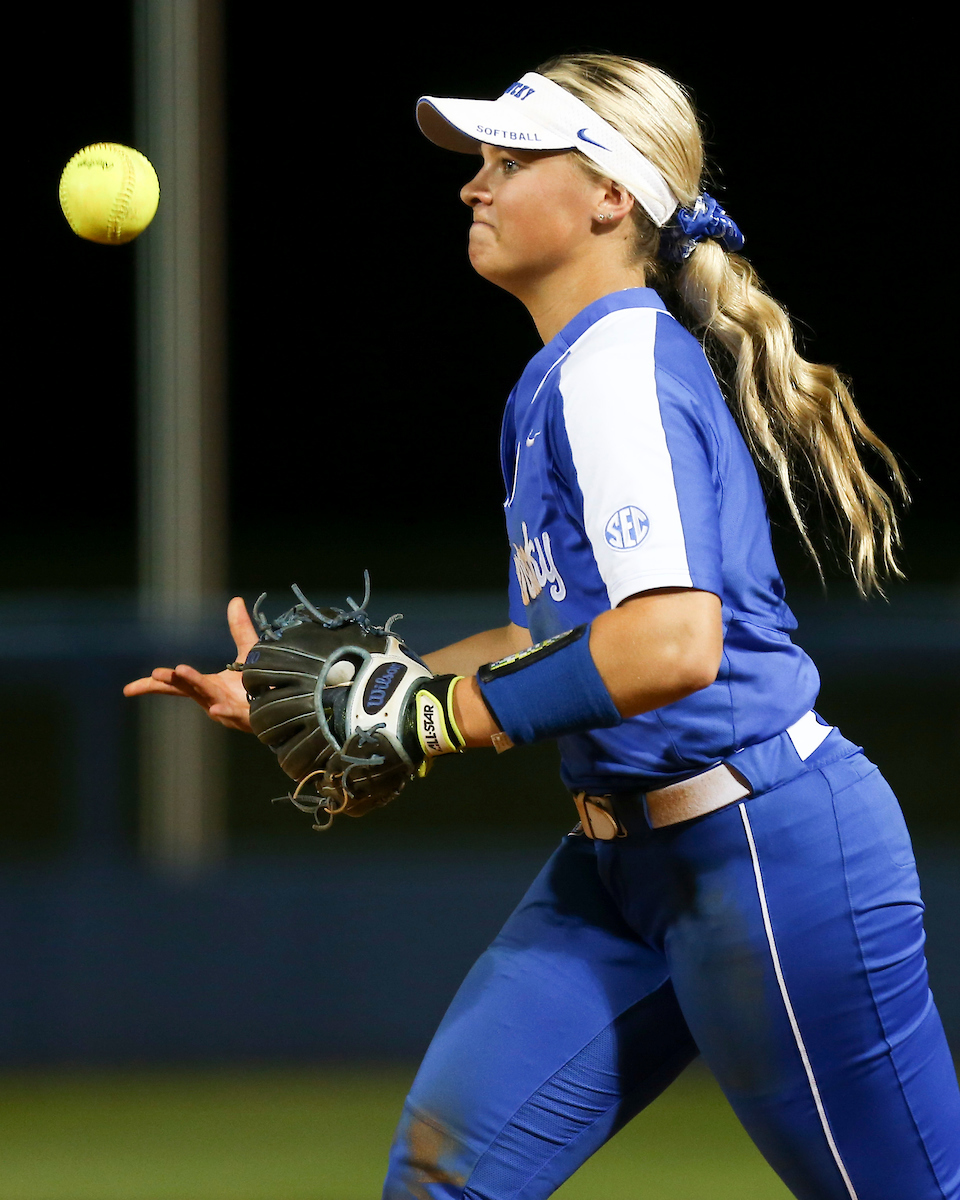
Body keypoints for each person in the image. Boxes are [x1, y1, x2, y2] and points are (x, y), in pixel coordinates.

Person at [125, 54, 960, 1200]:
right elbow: (551, 642)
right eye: (479, 161)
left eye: (510, 160)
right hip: (623, 870)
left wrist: (436, 717)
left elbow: (671, 645)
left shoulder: (617, 364)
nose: (475, 184)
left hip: (769, 850)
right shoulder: (562, 378)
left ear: (611, 197)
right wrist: (353, 691)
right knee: (440, 1179)